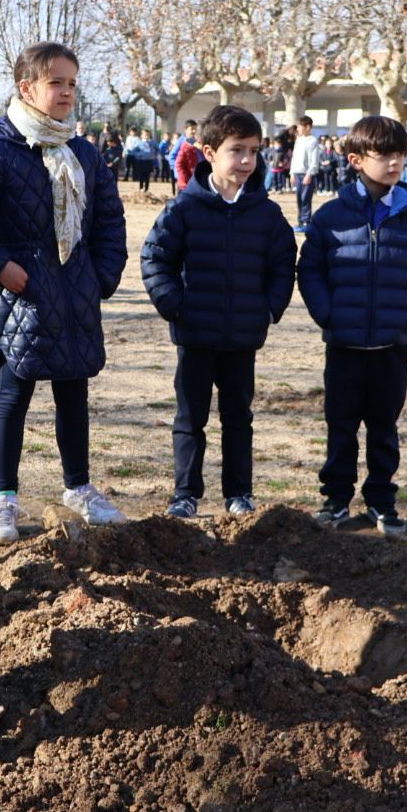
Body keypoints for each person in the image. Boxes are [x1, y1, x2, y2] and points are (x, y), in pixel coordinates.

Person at [0, 41, 129, 544]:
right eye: (57, 82)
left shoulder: (84, 153)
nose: (67, 92)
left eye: (73, 83)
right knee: (14, 395)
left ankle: (79, 486)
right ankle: (3, 498)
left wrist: (101, 276)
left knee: (74, 392)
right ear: (27, 87)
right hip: (22, 294)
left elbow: (109, 218)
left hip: (75, 291)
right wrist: (1, 266)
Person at [140, 105, 295, 518]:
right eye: (237, 150)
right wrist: (175, 305)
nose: (246, 160)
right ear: (209, 152)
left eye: (254, 151)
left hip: (243, 336)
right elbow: (156, 258)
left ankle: (239, 494)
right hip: (195, 336)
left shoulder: (266, 213)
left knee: (238, 419)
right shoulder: (184, 210)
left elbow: (283, 264)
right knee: (190, 418)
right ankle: (185, 494)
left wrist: (268, 309)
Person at [298, 115, 407, 536]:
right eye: (384, 155)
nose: (395, 163)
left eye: (400, 154)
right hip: (343, 346)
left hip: (391, 347)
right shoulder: (330, 217)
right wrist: (327, 314)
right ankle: (335, 500)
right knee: (341, 426)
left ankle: (382, 501)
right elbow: (309, 270)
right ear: (356, 160)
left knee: (384, 428)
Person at [288, 116, 322, 231]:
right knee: (299, 199)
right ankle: (300, 222)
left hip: (306, 174)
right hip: (297, 173)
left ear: (308, 127)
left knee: (305, 199)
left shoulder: (313, 141)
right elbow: (294, 158)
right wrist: (292, 173)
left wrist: (309, 174)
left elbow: (314, 160)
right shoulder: (299, 140)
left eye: (300, 126)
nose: (297, 128)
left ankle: (306, 222)